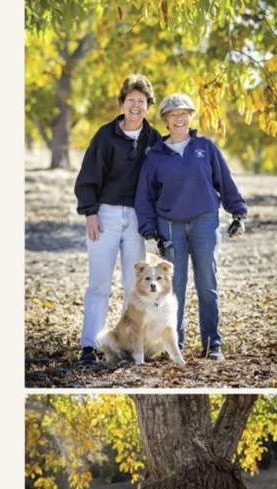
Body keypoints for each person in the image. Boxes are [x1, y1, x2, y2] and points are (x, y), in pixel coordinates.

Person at [135, 92, 247, 361]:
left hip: (205, 221)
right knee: (174, 287)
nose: (179, 119)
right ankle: (175, 345)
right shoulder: (155, 155)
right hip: (169, 226)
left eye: (184, 114)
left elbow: (225, 181)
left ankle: (212, 344)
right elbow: (144, 196)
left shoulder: (205, 147)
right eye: (173, 115)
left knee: (207, 283)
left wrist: (238, 213)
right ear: (165, 120)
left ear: (190, 117)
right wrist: (149, 232)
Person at [73, 74, 163, 365]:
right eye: (131, 100)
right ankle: (90, 345)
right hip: (105, 216)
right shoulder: (105, 135)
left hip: (137, 219)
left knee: (134, 285)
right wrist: (90, 212)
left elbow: (161, 180)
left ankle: (127, 344)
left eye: (141, 101)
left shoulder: (153, 139)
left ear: (148, 106)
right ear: (122, 104)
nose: (136, 106)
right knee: (98, 284)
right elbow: (88, 175)